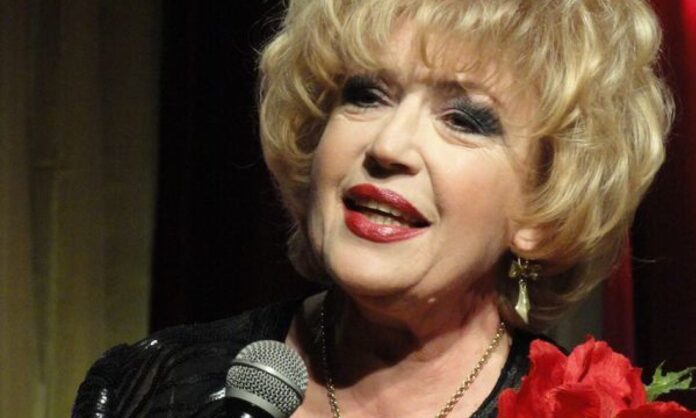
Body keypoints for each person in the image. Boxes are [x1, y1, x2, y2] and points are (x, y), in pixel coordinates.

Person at [72, 0, 672, 417]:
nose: (388, 146)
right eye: (366, 95)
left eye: (464, 119)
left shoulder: (580, 412)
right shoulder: (148, 388)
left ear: (543, 203)